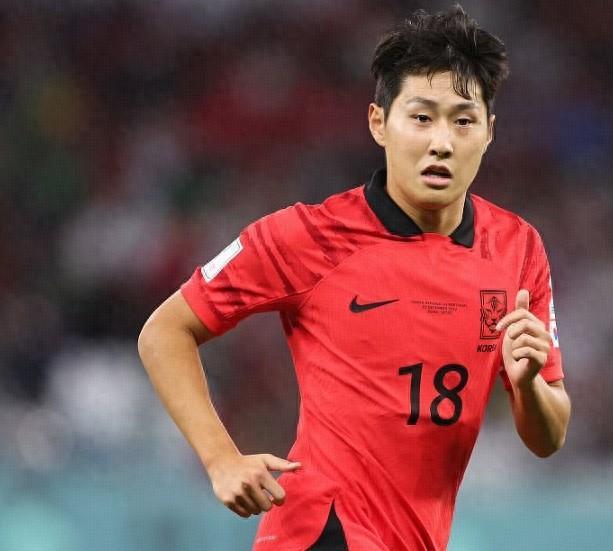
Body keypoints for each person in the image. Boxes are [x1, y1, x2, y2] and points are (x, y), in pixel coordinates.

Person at [137, 5, 571, 550]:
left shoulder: (517, 249)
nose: (442, 141)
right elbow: (164, 332)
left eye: (463, 120)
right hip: (321, 533)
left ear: (489, 132)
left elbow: (549, 436)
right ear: (378, 123)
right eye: (421, 117)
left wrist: (528, 385)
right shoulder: (309, 236)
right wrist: (221, 458)